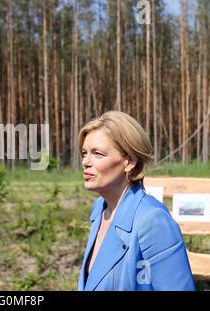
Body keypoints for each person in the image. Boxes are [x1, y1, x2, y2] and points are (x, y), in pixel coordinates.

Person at [77, 111, 195, 291]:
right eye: (84, 153)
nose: (86, 161)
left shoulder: (152, 221)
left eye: (98, 154)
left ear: (129, 162)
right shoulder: (100, 210)